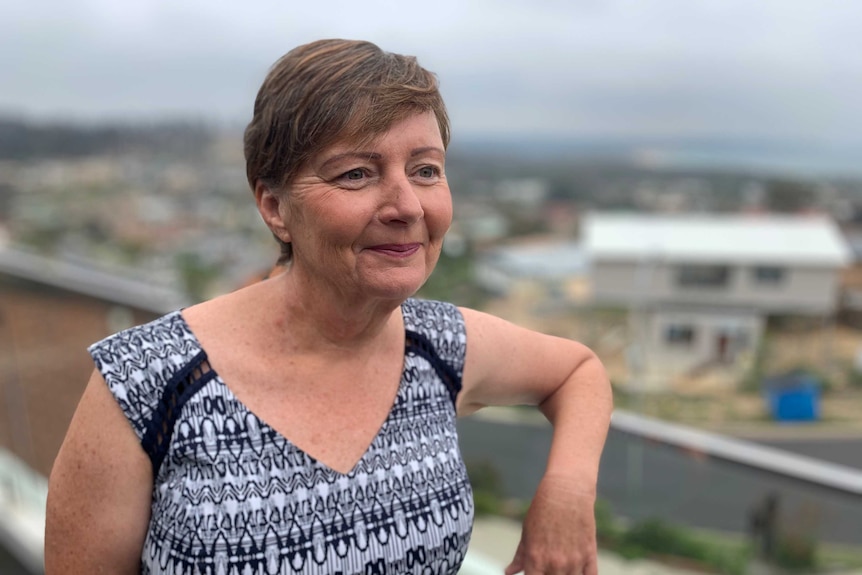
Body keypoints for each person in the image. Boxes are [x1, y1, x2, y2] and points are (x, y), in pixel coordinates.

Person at [45, 39, 612, 575]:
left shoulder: (439, 348)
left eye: (425, 170)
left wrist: (565, 495)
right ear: (274, 206)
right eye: (356, 174)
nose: (406, 205)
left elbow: (578, 372)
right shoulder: (149, 382)